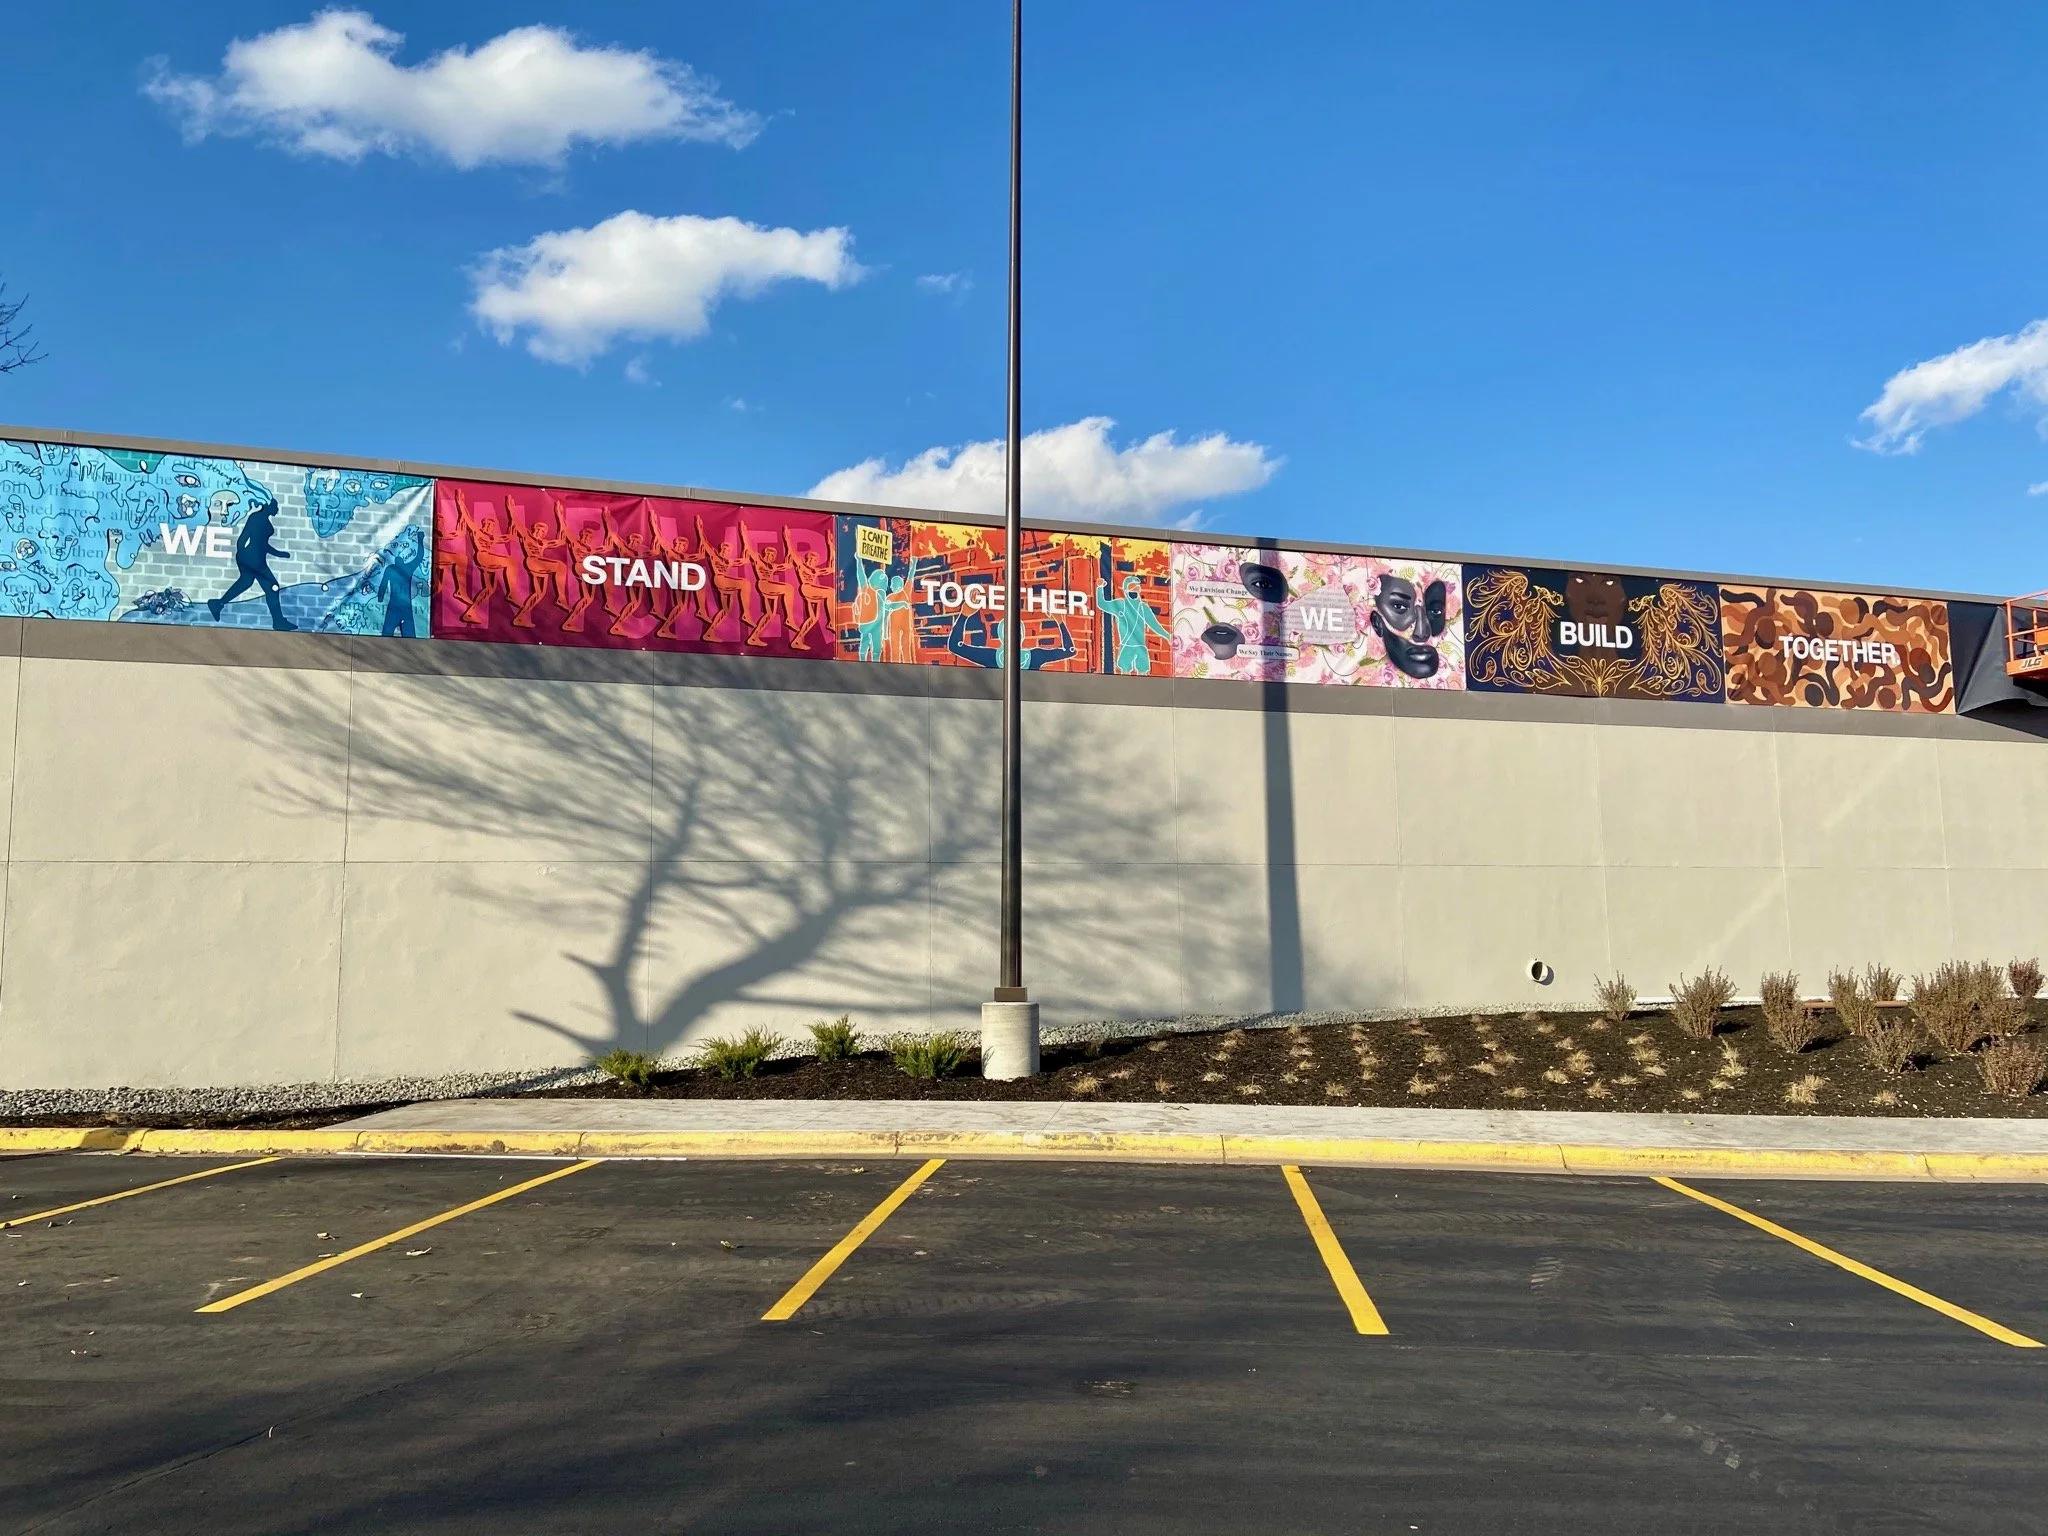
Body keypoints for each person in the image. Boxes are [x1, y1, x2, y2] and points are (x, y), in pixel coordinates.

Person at [206, 497, 296, 631]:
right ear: (268, 506)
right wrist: (243, 555)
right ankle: (278, 621)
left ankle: (218, 603)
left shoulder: (261, 519)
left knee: (246, 582)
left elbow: (261, 544)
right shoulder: (257, 518)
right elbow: (245, 539)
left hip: (254, 558)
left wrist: (279, 553)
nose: (277, 509)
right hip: (254, 560)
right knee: (272, 587)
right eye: (275, 506)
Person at [1097, 573, 1171, 675]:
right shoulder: (1121, 605)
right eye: (1132, 589)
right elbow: (1102, 604)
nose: (1134, 591)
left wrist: (1167, 636)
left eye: (1136, 589)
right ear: (1126, 590)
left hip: (1140, 646)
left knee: (1143, 672)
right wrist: (1100, 588)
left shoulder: (1143, 608)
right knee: (1125, 672)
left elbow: (1154, 625)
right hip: (1126, 646)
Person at [375, 529, 425, 638]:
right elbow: (419, 556)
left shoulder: (392, 569)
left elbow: (383, 584)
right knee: (406, 635)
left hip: (396, 605)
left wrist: (380, 597)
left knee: (389, 633)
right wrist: (420, 539)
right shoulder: (404, 568)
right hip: (402, 605)